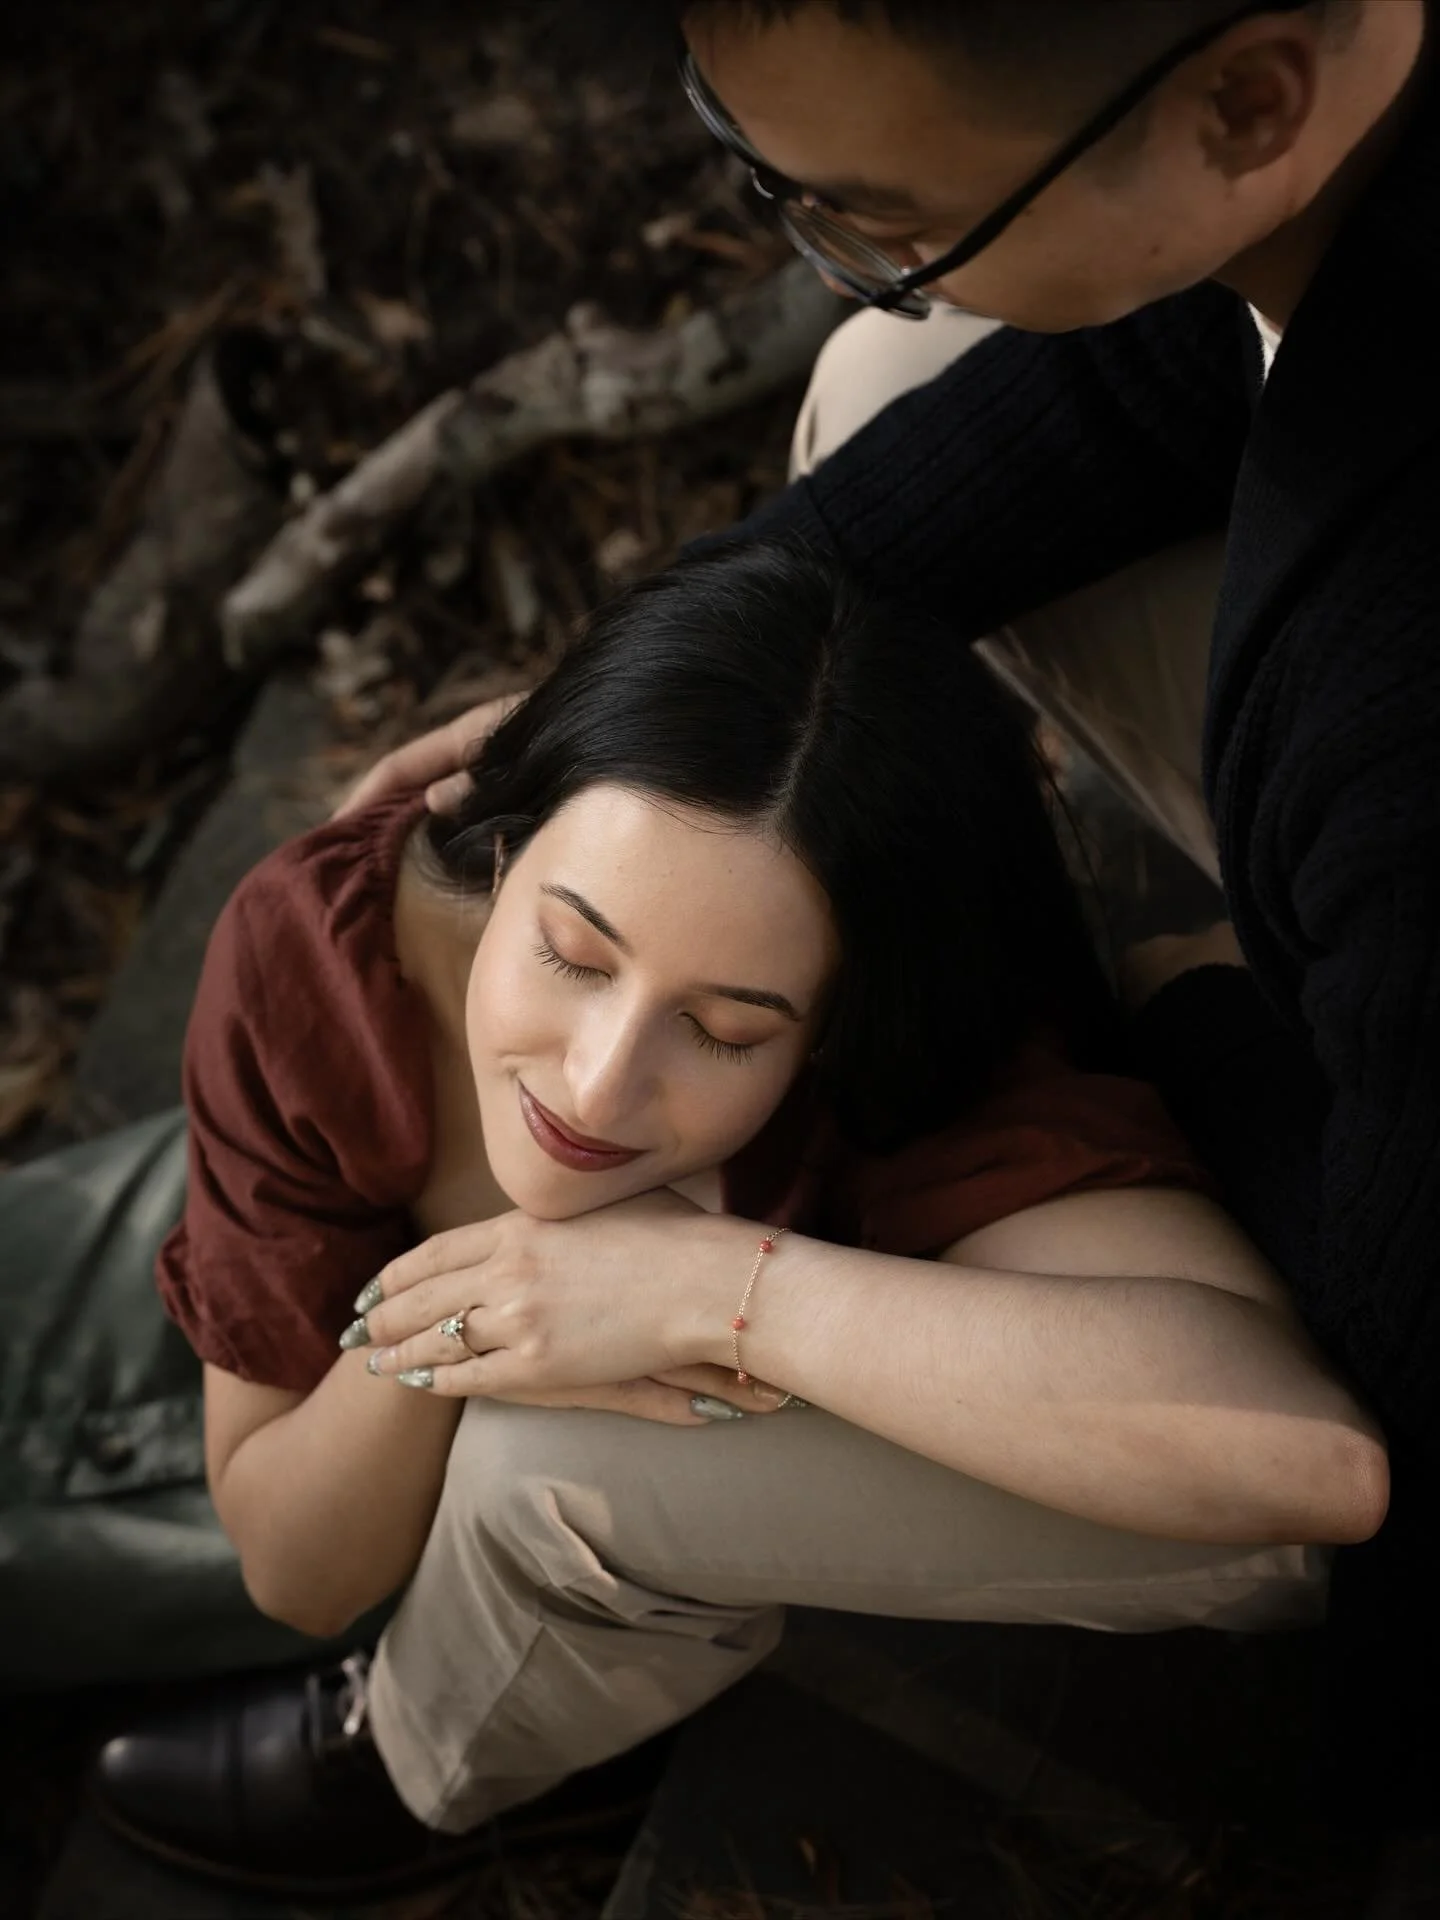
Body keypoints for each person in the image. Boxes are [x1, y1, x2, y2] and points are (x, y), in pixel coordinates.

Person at [348, 0, 1440, 1819]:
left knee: (552, 1446)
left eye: (890, 221)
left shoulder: (1404, 711)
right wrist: (648, 687)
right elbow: (1166, 358)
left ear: (1248, 105)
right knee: (889, 398)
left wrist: (1168, 1001)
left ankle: (415, 1759)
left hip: (1381, 1395)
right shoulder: (1342, 140)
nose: (865, 263)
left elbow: (1400, 1404)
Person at [13, 542, 1372, 1898]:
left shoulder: (914, 1069)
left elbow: (1313, 1469)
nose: (597, 1083)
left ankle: (455, 1750)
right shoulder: (324, 945)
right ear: (504, 826)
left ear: (835, 1026)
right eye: (571, 951)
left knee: (529, 1442)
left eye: (726, 1030)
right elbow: (298, 1568)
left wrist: (719, 1289)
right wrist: (467, 1304)